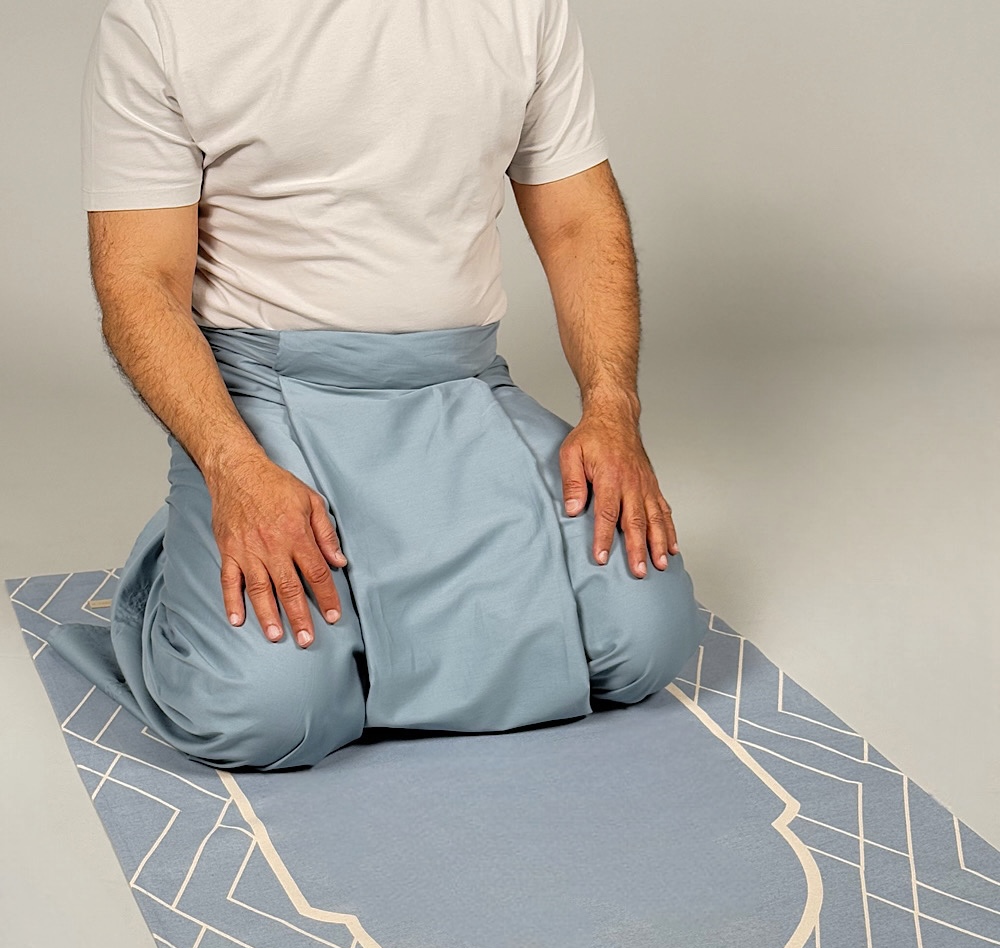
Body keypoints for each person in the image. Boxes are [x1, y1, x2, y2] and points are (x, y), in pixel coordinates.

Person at [48, 0, 710, 771]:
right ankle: (171, 572)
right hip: (262, 404)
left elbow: (578, 223)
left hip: (462, 385)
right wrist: (230, 466)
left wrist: (612, 409)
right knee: (265, 713)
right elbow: (139, 278)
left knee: (647, 641)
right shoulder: (163, 18)